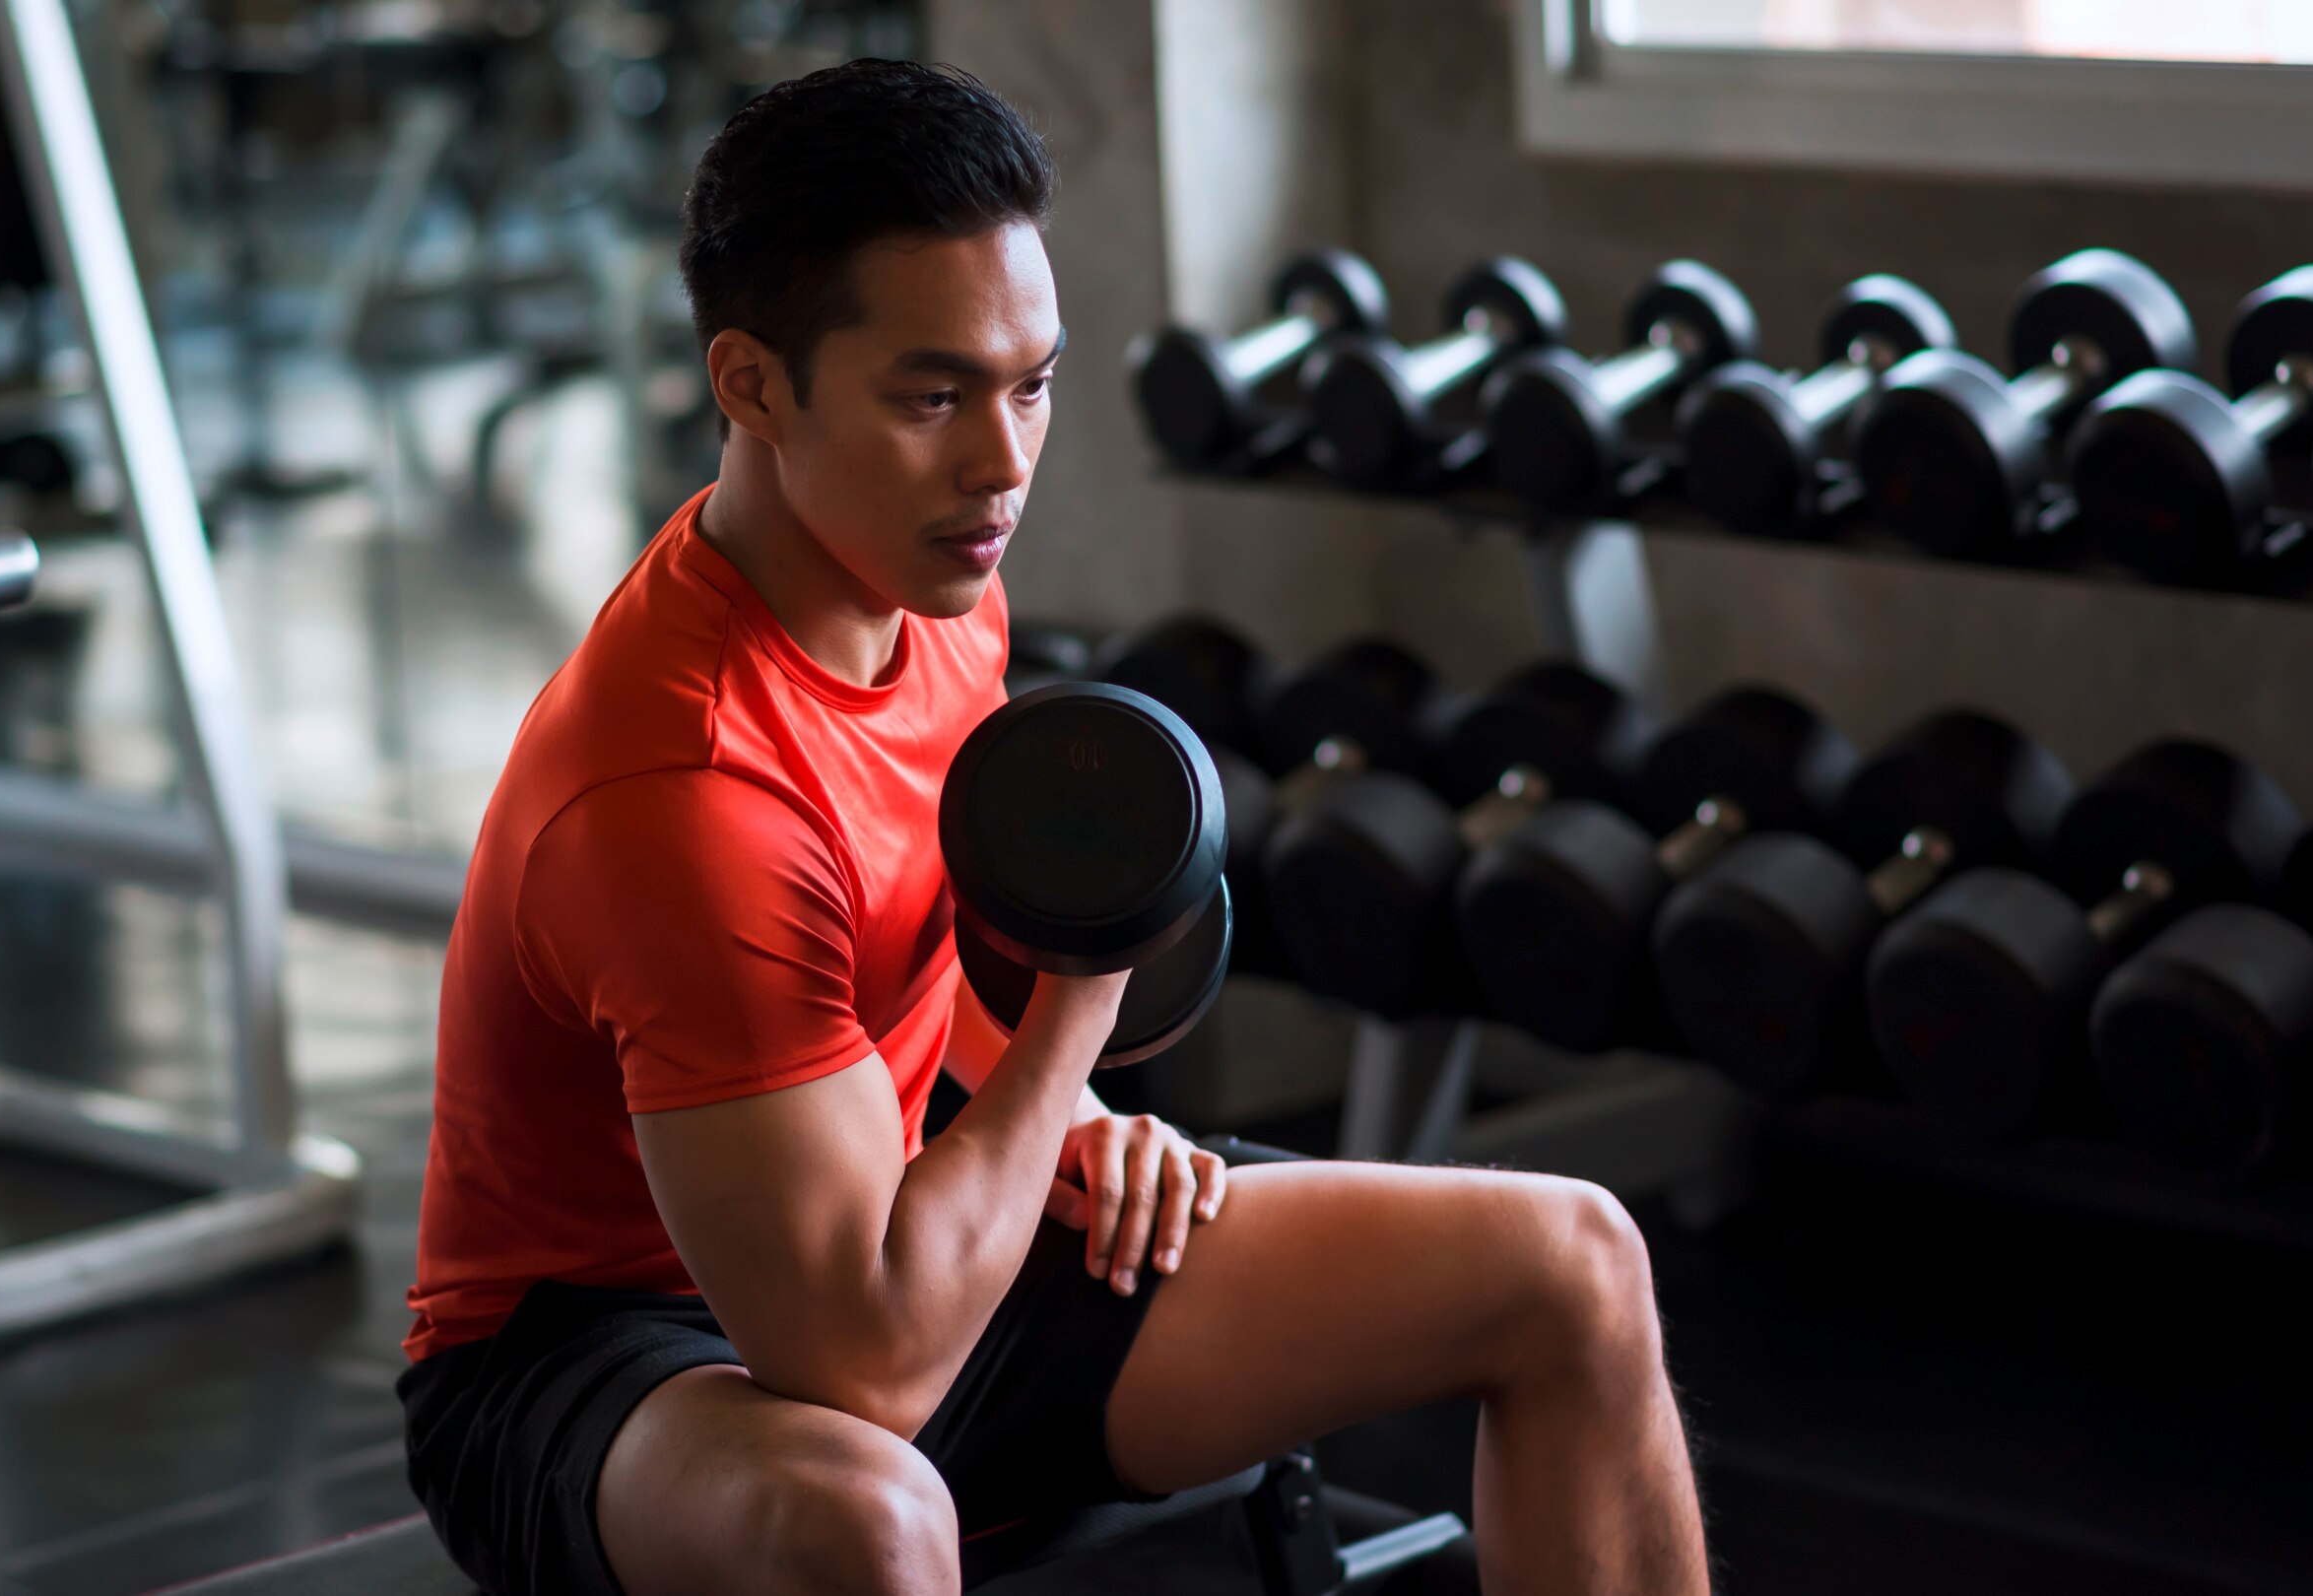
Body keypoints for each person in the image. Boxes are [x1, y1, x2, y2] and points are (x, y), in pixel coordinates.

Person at [400, 58, 1709, 1596]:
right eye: (932, 394)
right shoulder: (685, 792)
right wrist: (1079, 1013)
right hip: (600, 1356)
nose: (1004, 463)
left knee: (1573, 1264)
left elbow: (916, 954)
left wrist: (1066, 1130)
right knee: (866, 1522)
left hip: (894, 1231)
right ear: (749, 381)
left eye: (1032, 383)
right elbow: (866, 1366)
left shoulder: (932, 589)